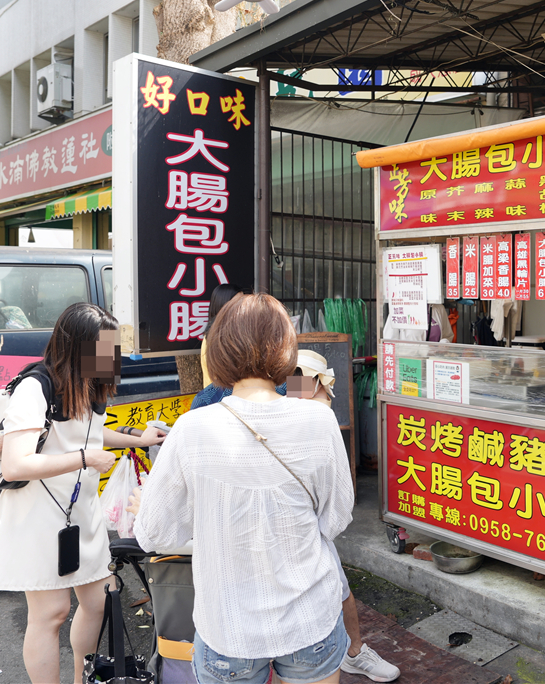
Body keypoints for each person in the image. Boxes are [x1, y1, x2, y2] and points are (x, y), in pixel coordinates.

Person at [131, 293, 355, 684]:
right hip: (309, 619)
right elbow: (336, 518)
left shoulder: (192, 428)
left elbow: (154, 534)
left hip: (228, 627)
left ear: (218, 350)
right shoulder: (319, 420)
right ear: (287, 348)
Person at [0, 302, 169, 684]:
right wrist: (84, 459)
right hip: (38, 513)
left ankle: (82, 678)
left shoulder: (90, 381)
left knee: (98, 601)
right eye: (105, 347)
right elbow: (17, 464)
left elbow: (91, 434)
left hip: (80, 510)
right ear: (77, 346)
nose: (111, 356)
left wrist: (135, 436)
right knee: (50, 612)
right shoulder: (36, 386)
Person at [287, 350, 400, 682]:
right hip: (300, 526)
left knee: (336, 586)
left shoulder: (303, 410)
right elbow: (339, 510)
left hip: (308, 524)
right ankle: (348, 651)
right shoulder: (311, 414)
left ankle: (353, 650)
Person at [200, 282, 243, 386]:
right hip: (223, 398)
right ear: (223, 306)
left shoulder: (217, 334)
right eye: (237, 304)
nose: (243, 307)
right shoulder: (218, 339)